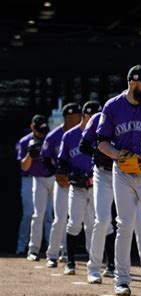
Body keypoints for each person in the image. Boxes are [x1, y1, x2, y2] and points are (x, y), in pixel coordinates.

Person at [97, 64, 141, 296]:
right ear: (133, 82)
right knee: (124, 225)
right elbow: (102, 142)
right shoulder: (113, 106)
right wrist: (121, 155)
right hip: (123, 174)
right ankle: (122, 280)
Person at [80, 101, 141, 287]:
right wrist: (102, 153)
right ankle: (94, 269)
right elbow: (84, 145)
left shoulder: (133, 121)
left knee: (139, 222)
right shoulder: (99, 119)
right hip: (103, 174)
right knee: (102, 219)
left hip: (128, 174)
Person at [58, 102, 101, 275]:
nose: (95, 120)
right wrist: (72, 174)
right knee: (74, 223)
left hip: (95, 184)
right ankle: (70, 262)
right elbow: (62, 162)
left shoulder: (102, 134)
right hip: (77, 187)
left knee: (94, 225)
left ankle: (95, 262)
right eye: (91, 117)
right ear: (84, 116)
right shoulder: (69, 136)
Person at [43, 102, 82, 268]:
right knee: (59, 219)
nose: (78, 119)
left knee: (79, 220)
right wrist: (56, 173)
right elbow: (45, 158)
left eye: (79, 116)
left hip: (79, 183)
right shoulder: (53, 136)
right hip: (62, 183)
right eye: (75, 116)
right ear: (67, 117)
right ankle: (52, 254)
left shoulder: (83, 134)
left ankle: (69, 253)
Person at [18, 115, 55, 261]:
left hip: (52, 178)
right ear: (32, 127)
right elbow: (24, 167)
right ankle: (27, 248)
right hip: (33, 178)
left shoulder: (50, 138)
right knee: (33, 214)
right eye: (39, 131)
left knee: (51, 216)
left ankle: (54, 248)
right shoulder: (25, 141)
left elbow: (57, 161)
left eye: (43, 130)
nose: (42, 134)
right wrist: (30, 153)